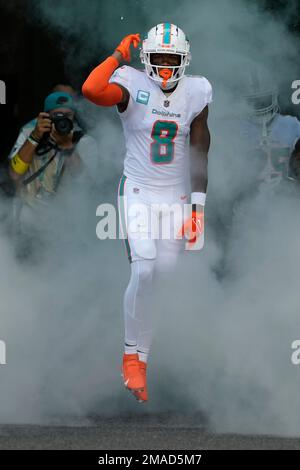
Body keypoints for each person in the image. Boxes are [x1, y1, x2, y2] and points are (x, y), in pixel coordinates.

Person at [82, 23, 212, 403]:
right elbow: (91, 90)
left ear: (185, 60)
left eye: (174, 60)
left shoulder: (197, 91)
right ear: (146, 60)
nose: (168, 68)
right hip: (138, 190)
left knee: (164, 275)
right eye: (160, 59)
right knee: (144, 267)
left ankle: (144, 358)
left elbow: (201, 148)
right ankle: (129, 355)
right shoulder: (130, 81)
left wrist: (198, 206)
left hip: (175, 196)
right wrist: (117, 55)